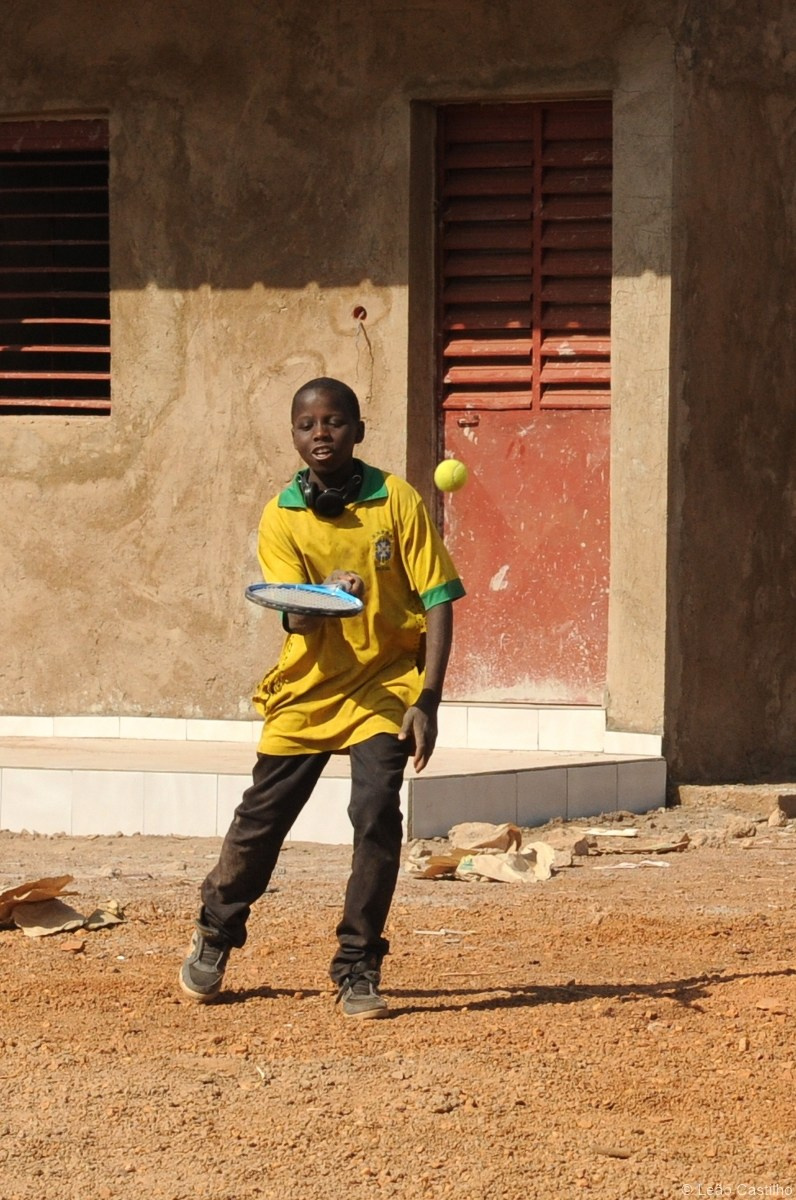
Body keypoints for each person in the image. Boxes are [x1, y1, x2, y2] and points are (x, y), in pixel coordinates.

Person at [179, 377, 465, 1018]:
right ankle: (216, 931)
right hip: (308, 686)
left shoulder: (398, 500)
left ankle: (358, 966)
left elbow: (440, 598)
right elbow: (297, 619)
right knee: (262, 821)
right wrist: (327, 599)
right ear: (294, 436)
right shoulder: (282, 513)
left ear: (357, 430)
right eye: (306, 425)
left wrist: (429, 697)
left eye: (333, 422)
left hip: (386, 684)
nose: (320, 434)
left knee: (375, 814)